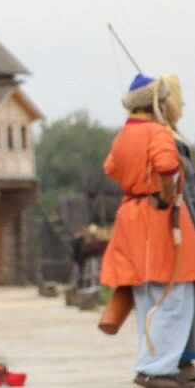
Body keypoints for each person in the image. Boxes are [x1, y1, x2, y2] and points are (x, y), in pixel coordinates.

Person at [100, 73, 195, 388]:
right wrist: (164, 193)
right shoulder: (157, 132)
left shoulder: (124, 134)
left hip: (132, 217)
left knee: (149, 299)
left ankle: (155, 367)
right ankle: (157, 369)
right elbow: (167, 165)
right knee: (173, 298)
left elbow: (111, 167)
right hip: (160, 220)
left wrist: (137, 185)